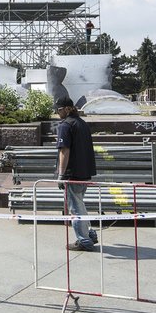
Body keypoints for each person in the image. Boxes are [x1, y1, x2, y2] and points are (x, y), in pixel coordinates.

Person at [55, 95, 98, 251]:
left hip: (72, 174)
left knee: (75, 208)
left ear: (67, 109)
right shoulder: (82, 123)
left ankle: (83, 241)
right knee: (80, 205)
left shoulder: (65, 126)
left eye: (59, 110)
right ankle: (90, 234)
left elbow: (64, 151)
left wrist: (61, 175)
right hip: (84, 171)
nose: (57, 113)